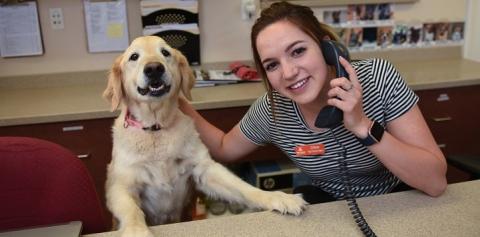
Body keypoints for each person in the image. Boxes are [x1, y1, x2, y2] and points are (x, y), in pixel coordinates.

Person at [179, 1, 447, 203]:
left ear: (327, 48)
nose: (288, 73)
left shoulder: (377, 78)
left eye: (297, 51)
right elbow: (224, 149)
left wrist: (363, 126)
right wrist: (176, 102)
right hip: (329, 206)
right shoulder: (273, 109)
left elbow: (435, 182)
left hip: (398, 198)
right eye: (272, 65)